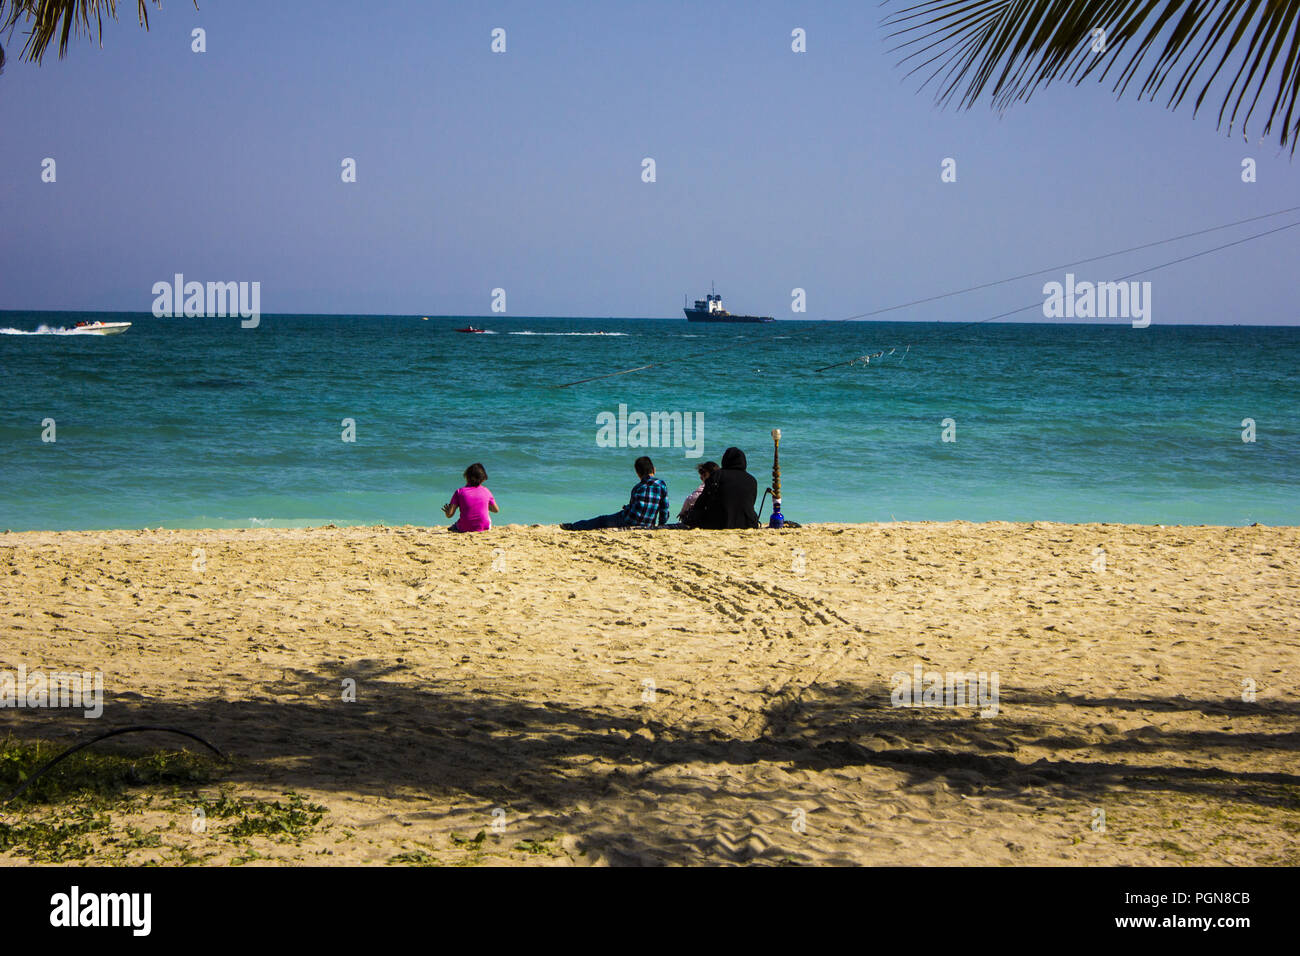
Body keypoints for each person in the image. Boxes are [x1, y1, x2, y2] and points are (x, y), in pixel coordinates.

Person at [562, 456, 668, 530]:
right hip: (648, 524)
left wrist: (626, 508)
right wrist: (661, 524)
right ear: (654, 469)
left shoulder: (638, 487)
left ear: (638, 474)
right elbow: (664, 509)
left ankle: (573, 526)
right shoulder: (662, 484)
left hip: (629, 521)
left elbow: (632, 510)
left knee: (601, 520)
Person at [685, 446, 759, 529]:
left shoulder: (717, 475)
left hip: (719, 522)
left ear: (725, 460)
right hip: (747, 524)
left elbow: (702, 501)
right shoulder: (752, 480)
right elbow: (750, 503)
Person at [442, 462, 498, 532]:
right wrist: (483, 504)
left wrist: (447, 512)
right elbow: (496, 510)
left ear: (466, 477)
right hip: (484, 527)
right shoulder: (486, 491)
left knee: (454, 526)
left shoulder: (459, 492)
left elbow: (449, 515)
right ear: (483, 478)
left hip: (465, 528)